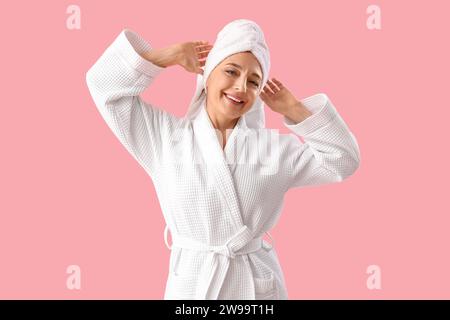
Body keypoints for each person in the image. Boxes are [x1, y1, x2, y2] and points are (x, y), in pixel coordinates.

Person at [86, 19, 360, 300]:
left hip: (255, 288)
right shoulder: (165, 138)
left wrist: (296, 109)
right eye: (231, 71)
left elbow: (343, 160)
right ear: (207, 75)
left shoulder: (272, 149)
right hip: (194, 286)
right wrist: (169, 55)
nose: (241, 86)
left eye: (254, 82)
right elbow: (104, 87)